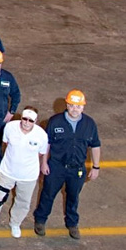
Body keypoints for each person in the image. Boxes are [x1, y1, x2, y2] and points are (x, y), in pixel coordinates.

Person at [32, 90, 101, 240]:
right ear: (67, 105)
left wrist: (96, 167)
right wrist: (44, 163)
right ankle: (40, 220)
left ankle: (72, 223)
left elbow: (95, 145)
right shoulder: (55, 121)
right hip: (56, 166)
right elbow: (47, 144)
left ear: (83, 107)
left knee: (73, 197)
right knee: (48, 194)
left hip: (77, 169)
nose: (74, 109)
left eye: (78, 106)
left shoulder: (89, 124)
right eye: (72, 105)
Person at [0, 107, 48, 239]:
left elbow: (41, 153)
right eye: (24, 119)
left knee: (23, 202)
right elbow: (5, 144)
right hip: (7, 172)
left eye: (31, 121)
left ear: (35, 121)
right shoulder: (10, 127)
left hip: (28, 176)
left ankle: (15, 223)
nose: (27, 123)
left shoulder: (41, 135)